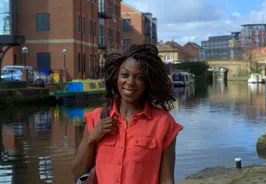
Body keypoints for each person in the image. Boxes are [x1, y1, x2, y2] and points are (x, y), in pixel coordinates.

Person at [71, 44, 183, 184]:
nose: (130, 82)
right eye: (124, 75)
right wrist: (91, 139)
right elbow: (76, 173)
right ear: (116, 77)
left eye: (139, 77)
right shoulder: (96, 118)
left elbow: (167, 179)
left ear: (147, 82)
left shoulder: (163, 123)